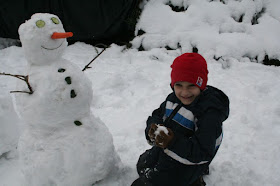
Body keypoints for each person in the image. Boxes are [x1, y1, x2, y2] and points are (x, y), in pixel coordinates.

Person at [131, 53, 230, 186]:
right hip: (170, 150)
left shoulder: (209, 113)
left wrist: (171, 141)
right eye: (179, 85)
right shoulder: (173, 99)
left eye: (191, 86)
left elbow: (203, 152)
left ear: (201, 84)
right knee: (142, 166)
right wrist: (152, 129)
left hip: (189, 161)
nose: (184, 92)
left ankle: (193, 179)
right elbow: (158, 114)